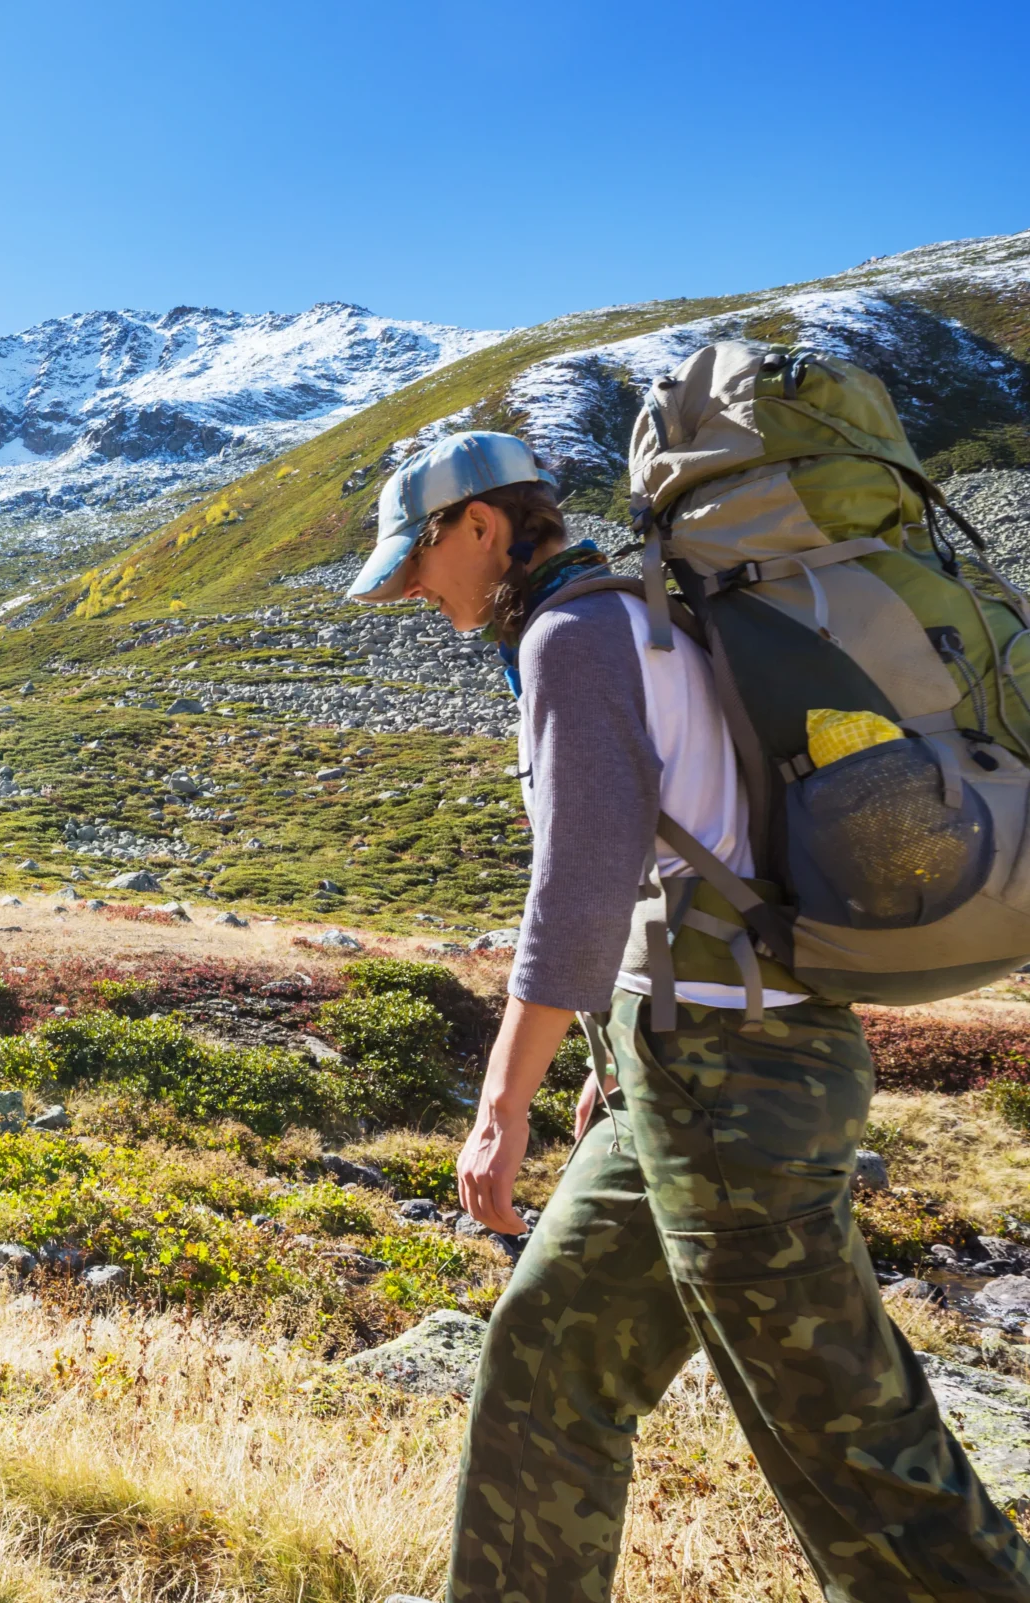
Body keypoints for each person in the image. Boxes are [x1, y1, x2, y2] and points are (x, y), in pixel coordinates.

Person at [346, 432, 1030, 1602]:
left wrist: (498, 1105)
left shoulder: (573, 637)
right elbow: (684, 859)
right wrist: (612, 1044)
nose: (412, 589)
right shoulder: (642, 620)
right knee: (547, 1362)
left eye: (416, 556)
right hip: (690, 1067)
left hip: (731, 1082)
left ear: (480, 527)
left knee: (846, 1441)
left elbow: (581, 883)